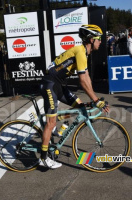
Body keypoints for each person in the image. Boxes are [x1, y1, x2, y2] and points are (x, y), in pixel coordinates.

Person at [39, 24, 109, 169]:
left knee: (80, 108)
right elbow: (82, 81)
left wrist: (94, 98)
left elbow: (87, 77)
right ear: (91, 40)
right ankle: (43, 158)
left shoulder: (84, 52)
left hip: (59, 85)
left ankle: (59, 130)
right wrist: (96, 100)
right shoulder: (80, 52)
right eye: (99, 39)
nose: (100, 41)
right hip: (50, 85)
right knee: (50, 122)